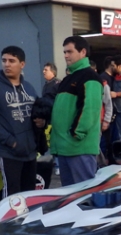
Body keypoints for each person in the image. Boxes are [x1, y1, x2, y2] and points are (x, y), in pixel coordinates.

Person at [0, 46, 42, 197]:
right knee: (12, 196)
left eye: (12, 61)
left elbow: (37, 114)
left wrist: (41, 123)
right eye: (4, 60)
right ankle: (11, 221)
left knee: (29, 194)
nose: (7, 64)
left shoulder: (29, 88)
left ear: (22, 64)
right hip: (9, 152)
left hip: (30, 151)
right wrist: (11, 142)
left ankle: (28, 221)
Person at [50, 36, 103, 186]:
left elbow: (90, 109)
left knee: (84, 197)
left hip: (79, 148)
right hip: (66, 147)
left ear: (83, 52)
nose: (66, 55)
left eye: (69, 51)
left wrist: (76, 133)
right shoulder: (68, 79)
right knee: (71, 198)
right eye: (64, 52)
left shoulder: (90, 77)